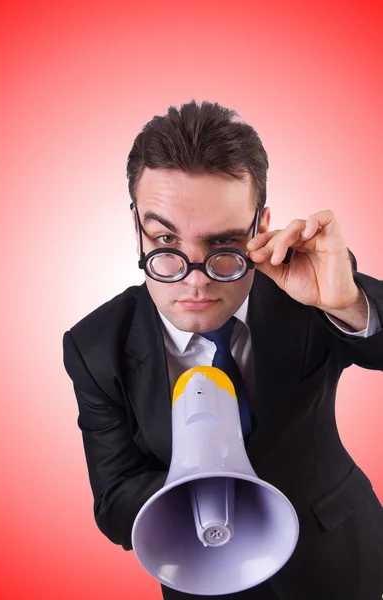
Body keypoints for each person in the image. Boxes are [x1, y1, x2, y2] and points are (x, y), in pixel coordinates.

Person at [62, 100, 383, 600]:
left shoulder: (308, 286)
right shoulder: (95, 346)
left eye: (223, 245)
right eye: (165, 240)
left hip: (341, 555)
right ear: (137, 231)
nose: (193, 281)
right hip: (202, 571)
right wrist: (202, 484)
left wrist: (348, 303)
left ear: (260, 228)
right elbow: (113, 501)